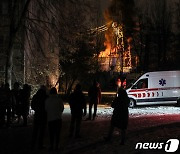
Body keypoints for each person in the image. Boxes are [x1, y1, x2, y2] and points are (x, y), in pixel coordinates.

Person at [31, 85, 48, 149]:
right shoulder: (46, 97)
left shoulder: (36, 96)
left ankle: (33, 144)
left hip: (37, 115)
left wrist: (36, 109)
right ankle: (40, 144)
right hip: (43, 115)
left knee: (35, 130)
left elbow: (32, 105)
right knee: (42, 131)